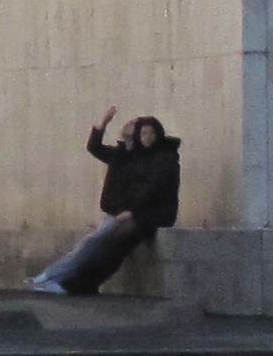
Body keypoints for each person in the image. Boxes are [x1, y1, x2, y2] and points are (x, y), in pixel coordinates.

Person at [29, 110, 182, 298]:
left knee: (105, 243)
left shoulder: (163, 157)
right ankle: (64, 280)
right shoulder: (129, 155)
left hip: (151, 215)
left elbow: (152, 189)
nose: (147, 138)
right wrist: (102, 125)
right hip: (132, 213)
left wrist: (132, 213)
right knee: (103, 244)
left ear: (158, 134)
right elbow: (95, 148)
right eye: (142, 133)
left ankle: (64, 280)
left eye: (151, 133)